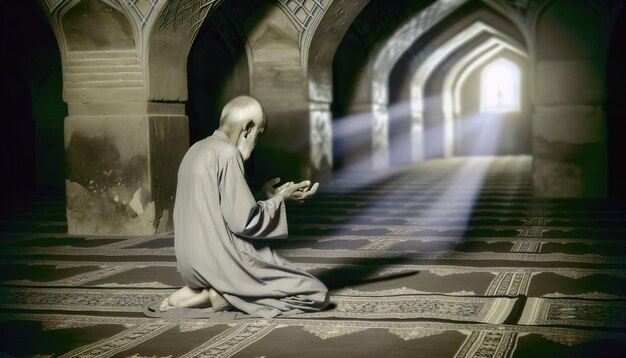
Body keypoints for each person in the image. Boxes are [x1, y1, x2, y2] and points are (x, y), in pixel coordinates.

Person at [163, 95, 329, 318]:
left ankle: (204, 289)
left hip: (190, 263)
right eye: (258, 135)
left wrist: (266, 195)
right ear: (248, 128)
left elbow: (215, 207)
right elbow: (245, 223)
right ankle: (219, 295)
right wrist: (282, 200)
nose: (255, 143)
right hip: (219, 261)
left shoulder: (196, 149)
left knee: (279, 274)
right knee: (315, 292)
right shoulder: (228, 154)